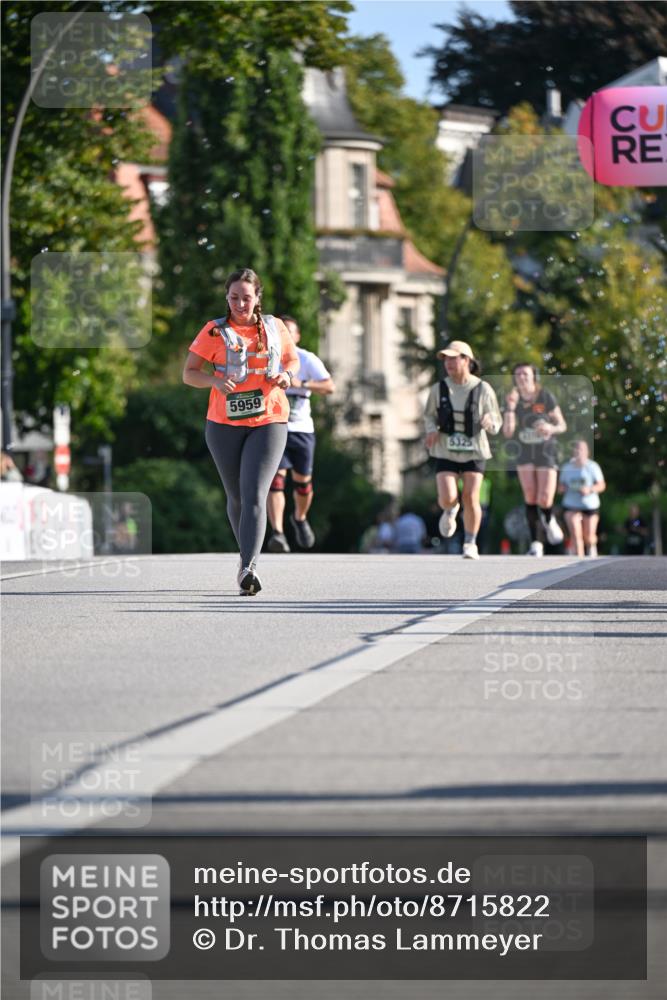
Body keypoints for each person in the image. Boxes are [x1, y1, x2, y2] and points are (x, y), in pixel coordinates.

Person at [182, 268, 299, 595]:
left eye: (246, 297)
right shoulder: (214, 331)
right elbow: (189, 374)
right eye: (234, 297)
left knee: (254, 494)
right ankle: (245, 559)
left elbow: (292, 362)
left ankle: (248, 568)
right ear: (226, 298)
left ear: (257, 298)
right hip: (223, 425)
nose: (240, 303)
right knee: (236, 497)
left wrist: (286, 378)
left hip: (269, 420)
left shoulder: (275, 328)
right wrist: (214, 380)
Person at [424, 340, 502, 560]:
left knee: (470, 496)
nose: (448, 363)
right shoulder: (438, 389)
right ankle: (449, 510)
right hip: (445, 449)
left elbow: (496, 418)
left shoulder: (483, 388)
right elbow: (429, 415)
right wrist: (431, 430)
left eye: (453, 358)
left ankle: (470, 542)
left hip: (475, 449)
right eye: (446, 359)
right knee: (448, 496)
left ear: (466, 360)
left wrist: (489, 421)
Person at [266, 316, 335, 552]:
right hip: (275, 427)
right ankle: (278, 533)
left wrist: (302, 384)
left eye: (289, 331)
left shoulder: (306, 359)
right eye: (280, 330)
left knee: (302, 483)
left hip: (302, 429)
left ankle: (300, 517)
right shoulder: (268, 357)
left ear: (296, 336)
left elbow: (329, 386)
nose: (284, 335)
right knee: (276, 480)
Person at [502, 363, 567, 557]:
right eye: (518, 374)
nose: (521, 377)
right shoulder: (512, 399)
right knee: (530, 497)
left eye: (525, 373)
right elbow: (507, 432)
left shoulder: (545, 396)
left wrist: (550, 428)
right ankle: (536, 543)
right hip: (524, 451)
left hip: (546, 450)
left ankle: (549, 518)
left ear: (534, 377)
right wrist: (511, 409)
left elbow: (562, 425)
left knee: (545, 497)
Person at [558, 439, 606, 557]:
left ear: (587, 452)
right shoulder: (566, 467)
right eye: (576, 449)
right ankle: (579, 562)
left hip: (589, 504)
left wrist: (589, 489)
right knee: (575, 534)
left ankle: (591, 548)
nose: (578, 451)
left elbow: (602, 485)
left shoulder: (592, 467)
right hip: (571, 504)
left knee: (589, 536)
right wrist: (562, 489)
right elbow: (560, 486)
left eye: (581, 449)